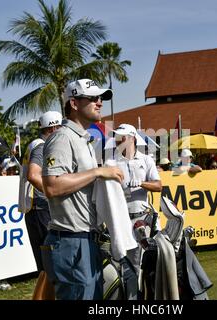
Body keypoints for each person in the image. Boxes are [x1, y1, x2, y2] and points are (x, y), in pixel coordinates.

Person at [42, 78, 124, 300]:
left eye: (100, 98)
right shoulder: (62, 137)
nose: (99, 102)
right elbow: (52, 186)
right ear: (74, 104)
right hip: (70, 241)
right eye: (93, 98)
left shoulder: (83, 139)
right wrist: (97, 173)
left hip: (84, 239)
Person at [112, 123, 162, 273]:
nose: (118, 140)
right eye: (117, 138)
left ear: (132, 138)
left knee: (151, 262)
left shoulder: (146, 160)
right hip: (123, 220)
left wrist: (142, 183)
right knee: (128, 264)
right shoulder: (113, 163)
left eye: (122, 137)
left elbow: (158, 186)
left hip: (143, 219)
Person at [25, 111, 62, 272]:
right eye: (60, 128)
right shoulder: (41, 146)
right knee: (49, 267)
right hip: (40, 209)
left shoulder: (35, 144)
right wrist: (52, 193)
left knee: (45, 268)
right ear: (53, 128)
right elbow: (33, 175)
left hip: (36, 209)